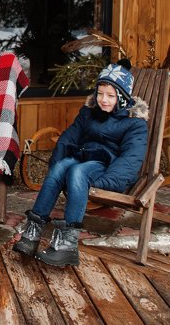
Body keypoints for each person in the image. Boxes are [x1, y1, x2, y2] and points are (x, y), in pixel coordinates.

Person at [13, 59, 148, 267]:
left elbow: (131, 158)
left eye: (110, 96)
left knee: (77, 172)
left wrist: (106, 182)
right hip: (83, 155)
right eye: (100, 93)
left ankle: (67, 246)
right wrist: (57, 162)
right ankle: (33, 233)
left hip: (105, 165)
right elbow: (70, 136)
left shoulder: (134, 123)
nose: (103, 100)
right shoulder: (89, 112)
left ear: (122, 97)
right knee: (59, 168)